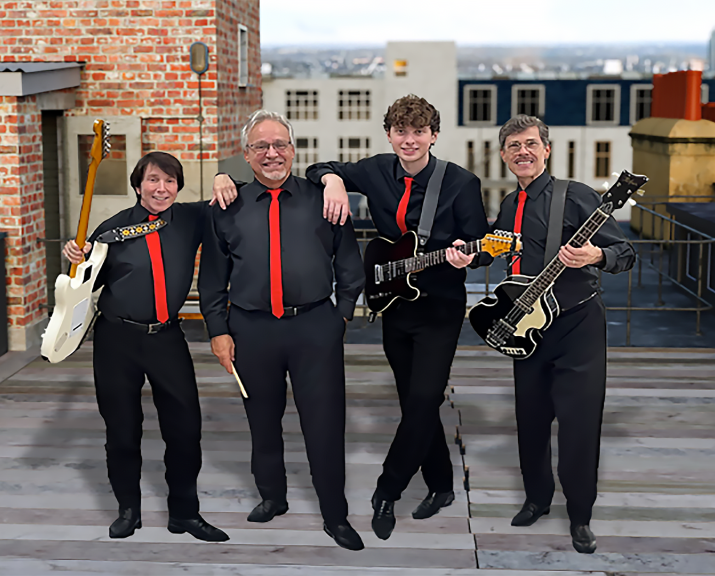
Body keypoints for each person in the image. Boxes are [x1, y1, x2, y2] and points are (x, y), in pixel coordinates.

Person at [212, 94, 487, 540]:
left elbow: (481, 244)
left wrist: (468, 257)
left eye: (419, 132)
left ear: (434, 136)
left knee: (424, 399)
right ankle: (440, 484)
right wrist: (334, 182)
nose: (410, 140)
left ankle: (387, 489)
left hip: (439, 306)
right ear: (390, 135)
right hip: (395, 304)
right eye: (401, 131)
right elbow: (322, 167)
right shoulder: (376, 169)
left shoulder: (460, 183)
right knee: (414, 402)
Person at [199, 110, 367, 551]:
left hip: (315, 326)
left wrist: (340, 316)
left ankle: (335, 515)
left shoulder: (324, 199)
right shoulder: (226, 207)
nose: (271, 153)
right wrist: (218, 330)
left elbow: (350, 265)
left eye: (279, 145)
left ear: (293, 150)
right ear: (247, 154)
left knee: (325, 423)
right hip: (251, 329)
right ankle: (273, 496)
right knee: (262, 420)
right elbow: (213, 279)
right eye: (261, 146)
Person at [472, 114, 635, 554]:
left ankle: (580, 516)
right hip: (527, 327)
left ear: (546, 149)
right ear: (504, 155)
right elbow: (502, 252)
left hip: (577, 325)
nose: (522, 152)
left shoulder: (577, 195)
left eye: (530, 144)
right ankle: (537, 499)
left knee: (579, 425)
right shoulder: (510, 204)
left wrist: (595, 255)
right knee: (530, 419)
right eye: (513, 146)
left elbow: (624, 252)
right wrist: (469, 255)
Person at [62, 151, 228, 543]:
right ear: (138, 186)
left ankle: (184, 514)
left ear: (178, 187)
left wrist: (223, 177)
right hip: (116, 340)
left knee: (185, 429)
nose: (162, 188)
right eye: (153, 180)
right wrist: (75, 259)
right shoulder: (111, 230)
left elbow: (229, 199)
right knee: (122, 431)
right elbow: (81, 286)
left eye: (170, 181)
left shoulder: (191, 218)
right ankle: (128, 511)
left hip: (167, 338)